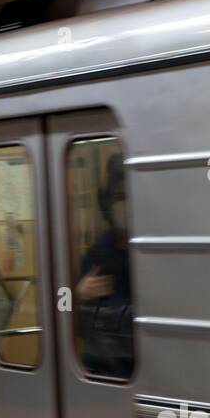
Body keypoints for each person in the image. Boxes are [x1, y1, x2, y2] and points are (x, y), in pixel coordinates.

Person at [74, 152, 134, 377]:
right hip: (99, 371)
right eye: (119, 197)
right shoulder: (98, 253)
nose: (125, 205)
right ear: (107, 204)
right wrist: (79, 294)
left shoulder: (153, 254)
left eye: (129, 196)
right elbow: (64, 314)